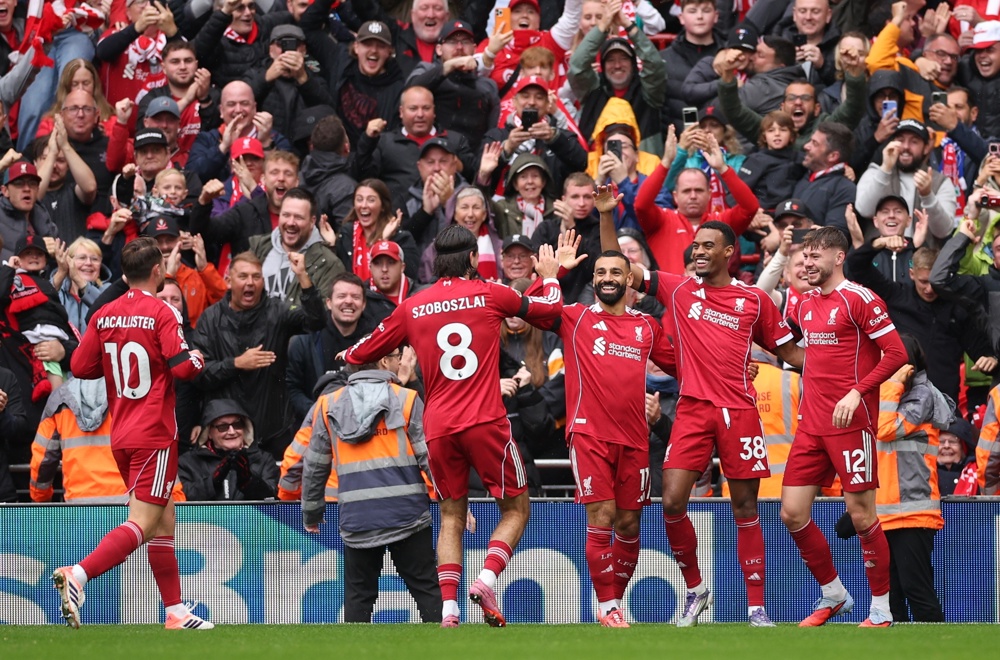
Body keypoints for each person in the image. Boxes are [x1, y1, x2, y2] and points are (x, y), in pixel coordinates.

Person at [342, 225, 564, 628]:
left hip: (439, 426)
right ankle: (486, 579)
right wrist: (549, 276)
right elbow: (548, 311)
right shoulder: (491, 293)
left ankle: (448, 610)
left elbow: (361, 352)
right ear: (471, 260)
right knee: (516, 507)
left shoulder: (413, 305)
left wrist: (350, 352)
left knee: (450, 515)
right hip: (485, 420)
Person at [598, 192, 802, 627]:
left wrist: (841, 365)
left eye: (709, 245)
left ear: (729, 252)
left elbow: (792, 353)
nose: (699, 251)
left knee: (745, 507)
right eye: (696, 247)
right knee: (672, 501)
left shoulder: (754, 301)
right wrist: (604, 214)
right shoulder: (680, 288)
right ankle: (696, 588)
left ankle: (756, 607)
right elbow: (617, 264)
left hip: (739, 411)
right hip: (691, 408)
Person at [58, 236, 211, 630]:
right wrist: (196, 358)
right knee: (143, 521)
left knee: (163, 518)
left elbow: (80, 365)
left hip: (122, 432)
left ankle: (175, 612)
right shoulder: (162, 312)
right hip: (155, 432)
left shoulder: (104, 313)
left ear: (124, 274)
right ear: (159, 271)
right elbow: (181, 369)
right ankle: (79, 574)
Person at [536, 230, 675, 627]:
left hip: (635, 439)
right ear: (593, 280)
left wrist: (734, 368)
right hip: (589, 436)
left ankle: (612, 600)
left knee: (630, 524)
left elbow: (684, 366)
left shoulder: (647, 326)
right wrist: (552, 274)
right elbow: (528, 308)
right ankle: (609, 606)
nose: (609, 277)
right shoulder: (574, 319)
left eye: (617, 271)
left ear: (630, 280)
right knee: (602, 514)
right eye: (601, 272)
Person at [781, 226, 907, 628]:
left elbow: (896, 353)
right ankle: (834, 593)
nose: (807, 262)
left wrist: (857, 392)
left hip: (851, 424)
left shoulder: (860, 299)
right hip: (811, 425)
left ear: (838, 257)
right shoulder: (802, 304)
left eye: (815, 255)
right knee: (792, 512)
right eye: (804, 256)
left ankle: (881, 609)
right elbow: (799, 350)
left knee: (861, 514)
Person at [302, 350, 441, 623]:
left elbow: (315, 466)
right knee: (427, 589)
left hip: (358, 517)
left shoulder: (327, 404)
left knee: (359, 595)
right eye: (397, 356)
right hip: (408, 514)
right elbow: (430, 458)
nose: (401, 361)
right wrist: (452, 501)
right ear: (384, 362)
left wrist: (312, 512)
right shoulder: (407, 398)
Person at [189, 251, 325, 459]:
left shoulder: (277, 312)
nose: (250, 283)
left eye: (256, 276)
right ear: (228, 280)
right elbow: (199, 374)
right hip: (229, 431)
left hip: (274, 430)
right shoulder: (210, 318)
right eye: (243, 276)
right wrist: (236, 364)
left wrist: (303, 278)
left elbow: (317, 322)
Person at [875, 334, 949, 623]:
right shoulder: (882, 395)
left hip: (913, 512)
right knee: (890, 597)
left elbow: (885, 429)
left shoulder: (923, 395)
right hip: (882, 513)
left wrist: (891, 384)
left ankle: (937, 650)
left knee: (917, 591)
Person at [30, 376, 126, 503]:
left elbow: (42, 460)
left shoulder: (60, 398)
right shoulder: (131, 393)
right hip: (126, 506)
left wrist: (40, 498)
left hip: (78, 506)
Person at [249, 187, 344, 307]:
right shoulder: (258, 247)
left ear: (312, 221)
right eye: (286, 215)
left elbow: (325, 316)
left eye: (298, 217)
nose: (290, 223)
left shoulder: (328, 263)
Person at [173, 399, 279, 501]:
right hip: (206, 520)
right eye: (223, 427)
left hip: (251, 519)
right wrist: (213, 482)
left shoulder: (264, 460)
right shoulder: (187, 463)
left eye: (237, 425)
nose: (232, 432)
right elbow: (181, 502)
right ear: (208, 433)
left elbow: (275, 501)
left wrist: (249, 481)